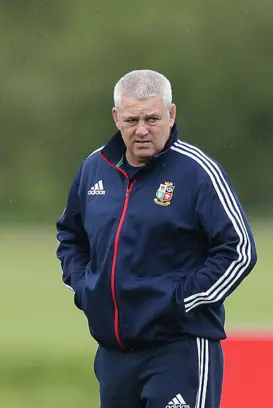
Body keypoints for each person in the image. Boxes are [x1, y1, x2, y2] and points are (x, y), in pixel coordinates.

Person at [55, 69, 257, 408]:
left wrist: (180, 301)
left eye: (153, 118)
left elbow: (239, 250)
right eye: (132, 119)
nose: (142, 130)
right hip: (114, 355)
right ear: (116, 117)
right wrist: (85, 288)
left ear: (171, 114)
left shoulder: (197, 172)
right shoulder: (94, 169)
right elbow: (71, 236)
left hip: (179, 350)